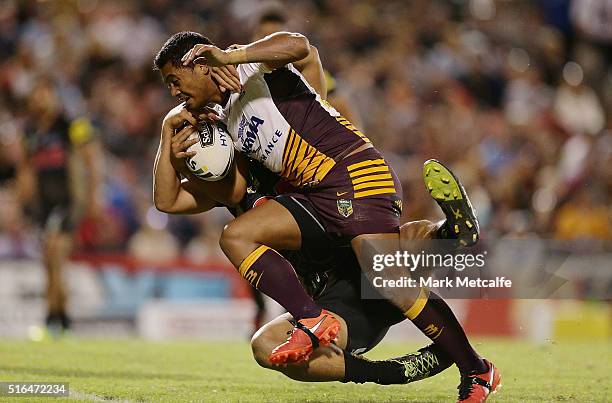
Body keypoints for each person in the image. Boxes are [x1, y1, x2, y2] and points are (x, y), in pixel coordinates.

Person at [153, 32, 499, 402]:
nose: (174, 92)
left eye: (175, 80)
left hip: (350, 175)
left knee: (386, 272)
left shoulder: (246, 67)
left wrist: (233, 56)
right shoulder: (233, 131)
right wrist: (168, 134)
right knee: (255, 289)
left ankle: (476, 368)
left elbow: (302, 48)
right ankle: (444, 242)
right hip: (328, 238)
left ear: (201, 65)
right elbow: (167, 201)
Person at [16, 77, 102, 336]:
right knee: (49, 261)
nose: (40, 100)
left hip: (68, 200)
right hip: (43, 204)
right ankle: (59, 317)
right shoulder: (30, 131)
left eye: (45, 94)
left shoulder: (71, 124)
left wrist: (94, 196)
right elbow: (26, 168)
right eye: (36, 95)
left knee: (55, 252)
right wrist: (23, 201)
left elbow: (92, 158)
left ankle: (54, 319)